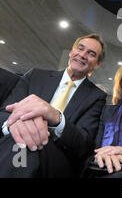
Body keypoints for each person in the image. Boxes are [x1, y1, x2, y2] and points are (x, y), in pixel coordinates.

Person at [0, 33, 107, 177]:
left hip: (57, 158)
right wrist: (12, 124)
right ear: (71, 52)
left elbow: (84, 144)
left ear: (97, 63)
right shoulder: (35, 76)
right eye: (80, 49)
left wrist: (57, 118)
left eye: (91, 54)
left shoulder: (96, 97)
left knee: (26, 145)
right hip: (14, 142)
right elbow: (4, 113)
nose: (82, 55)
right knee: (22, 141)